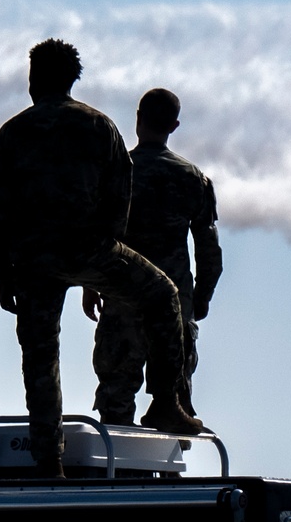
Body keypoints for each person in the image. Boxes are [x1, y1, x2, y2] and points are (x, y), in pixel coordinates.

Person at [0, 40, 201, 476]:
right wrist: (105, 253)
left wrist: (4, 270)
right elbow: (120, 192)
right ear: (71, 80)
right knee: (163, 295)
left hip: (31, 260)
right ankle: (165, 401)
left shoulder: (13, 132)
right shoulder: (99, 126)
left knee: (40, 357)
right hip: (89, 249)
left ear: (34, 79)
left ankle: (49, 460)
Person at [82, 88, 222, 424]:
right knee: (173, 404)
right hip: (175, 308)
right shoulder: (193, 179)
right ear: (174, 126)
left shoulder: (117, 171)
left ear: (138, 119)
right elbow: (209, 251)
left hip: (122, 297)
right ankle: (167, 473)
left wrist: (91, 285)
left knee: (115, 398)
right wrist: (199, 299)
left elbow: (98, 234)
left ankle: (116, 473)